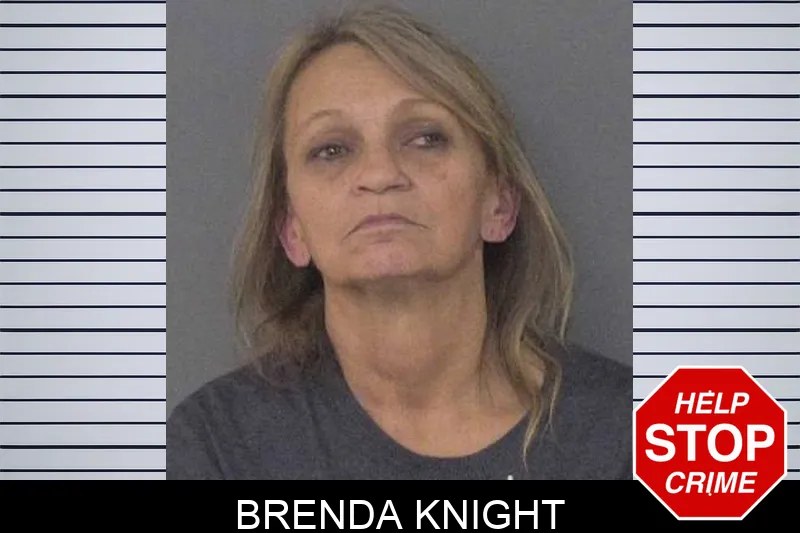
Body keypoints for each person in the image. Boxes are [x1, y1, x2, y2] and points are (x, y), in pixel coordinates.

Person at [167, 3, 631, 480]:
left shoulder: (641, 433)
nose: (380, 174)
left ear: (500, 205)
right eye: (331, 150)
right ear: (291, 229)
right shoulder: (215, 446)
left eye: (426, 138)